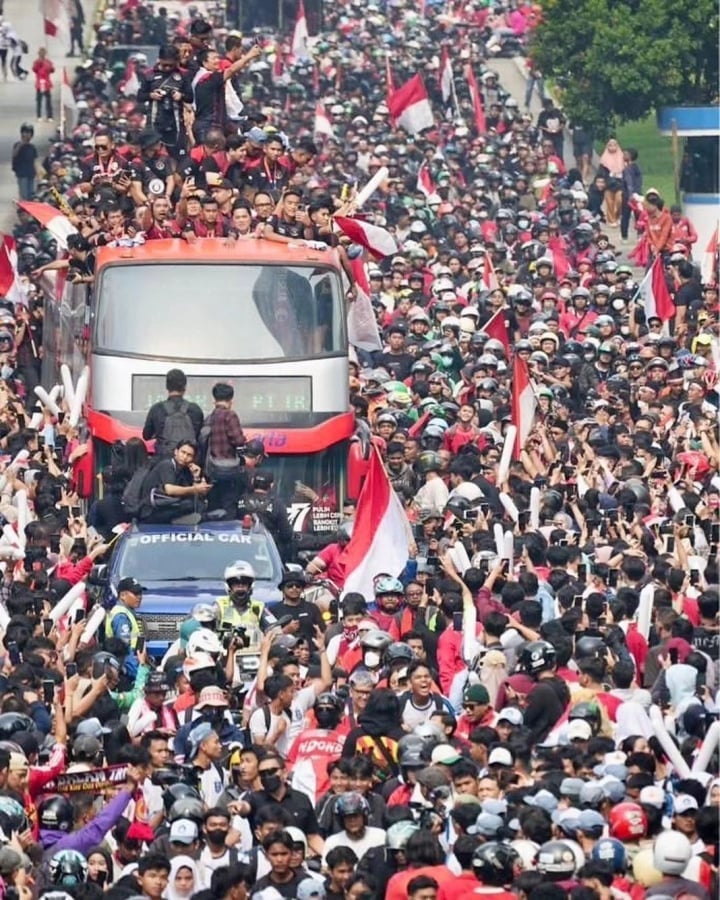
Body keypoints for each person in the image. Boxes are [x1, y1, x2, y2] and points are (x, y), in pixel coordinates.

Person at [138, 439, 212, 525]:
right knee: (191, 505)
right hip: (152, 511)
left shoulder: (184, 470)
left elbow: (194, 496)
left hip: (168, 506)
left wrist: (196, 477)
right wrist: (196, 489)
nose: (184, 457)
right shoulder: (167, 465)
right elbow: (170, 490)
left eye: (189, 455)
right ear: (176, 452)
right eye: (183, 452)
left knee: (197, 504)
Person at [201, 381, 246, 518]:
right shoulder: (230, 415)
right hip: (229, 470)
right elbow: (238, 440)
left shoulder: (209, 418)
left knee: (214, 505)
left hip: (212, 470)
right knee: (229, 505)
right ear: (231, 400)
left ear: (214, 400)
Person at [142, 368, 204, 458]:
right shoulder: (195, 409)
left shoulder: (156, 409)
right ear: (185, 387)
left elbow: (146, 435)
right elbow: (199, 436)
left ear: (167, 387)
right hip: (189, 462)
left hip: (164, 461)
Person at [104, 576, 145, 679]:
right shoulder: (121, 616)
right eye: (135, 594)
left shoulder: (127, 612)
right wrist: (137, 673)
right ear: (122, 595)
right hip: (128, 671)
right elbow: (125, 649)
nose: (139, 597)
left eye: (140, 593)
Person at [11, 123, 37, 201]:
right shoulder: (17, 145)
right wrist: (21, 144)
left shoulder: (32, 147)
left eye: (29, 133)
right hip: (22, 174)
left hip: (31, 173)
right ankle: (23, 210)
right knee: (24, 195)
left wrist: (38, 174)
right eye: (25, 132)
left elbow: (34, 161)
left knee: (31, 195)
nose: (27, 135)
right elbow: (14, 155)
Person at [32, 46, 54, 121]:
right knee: (39, 101)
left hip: (46, 83)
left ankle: (49, 116)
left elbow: (52, 70)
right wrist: (39, 63)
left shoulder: (48, 62)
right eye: (41, 53)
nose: (42, 54)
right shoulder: (36, 62)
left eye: (43, 53)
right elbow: (34, 69)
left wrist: (50, 67)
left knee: (48, 101)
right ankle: (39, 116)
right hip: (39, 83)